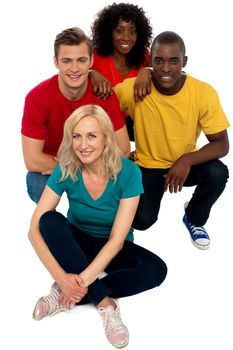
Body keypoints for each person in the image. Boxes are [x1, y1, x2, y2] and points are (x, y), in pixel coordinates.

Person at [28, 104, 167, 348]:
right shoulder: (66, 167)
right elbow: (33, 231)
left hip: (112, 244)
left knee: (156, 270)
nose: (83, 145)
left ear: (105, 138)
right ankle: (105, 303)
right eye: (77, 136)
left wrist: (76, 283)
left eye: (91, 136)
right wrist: (61, 278)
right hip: (77, 241)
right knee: (48, 220)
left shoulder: (129, 172)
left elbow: (116, 241)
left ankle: (65, 298)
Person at [114, 31, 230, 250]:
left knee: (218, 173)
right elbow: (99, 111)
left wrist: (186, 160)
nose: (166, 69)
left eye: (174, 61)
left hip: (185, 167)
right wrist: (92, 74)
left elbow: (222, 144)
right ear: (151, 61)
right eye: (158, 61)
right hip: (148, 166)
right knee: (141, 221)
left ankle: (194, 218)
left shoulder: (203, 92)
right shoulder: (134, 88)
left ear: (184, 61)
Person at [21, 27, 130, 204]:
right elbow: (33, 160)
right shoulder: (37, 97)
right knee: (38, 185)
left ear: (91, 61)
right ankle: (55, 227)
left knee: (121, 178)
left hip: (95, 160)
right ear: (56, 62)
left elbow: (124, 149)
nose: (74, 69)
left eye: (81, 60)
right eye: (66, 61)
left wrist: (89, 169)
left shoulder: (104, 94)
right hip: (55, 160)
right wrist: (73, 168)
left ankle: (94, 221)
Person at [91, 2, 153, 140]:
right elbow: (72, 76)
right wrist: (91, 73)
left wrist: (147, 70)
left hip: (135, 123)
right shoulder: (94, 57)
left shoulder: (144, 57)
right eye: (119, 30)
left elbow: (167, 73)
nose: (126, 37)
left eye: (132, 31)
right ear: (109, 32)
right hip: (103, 124)